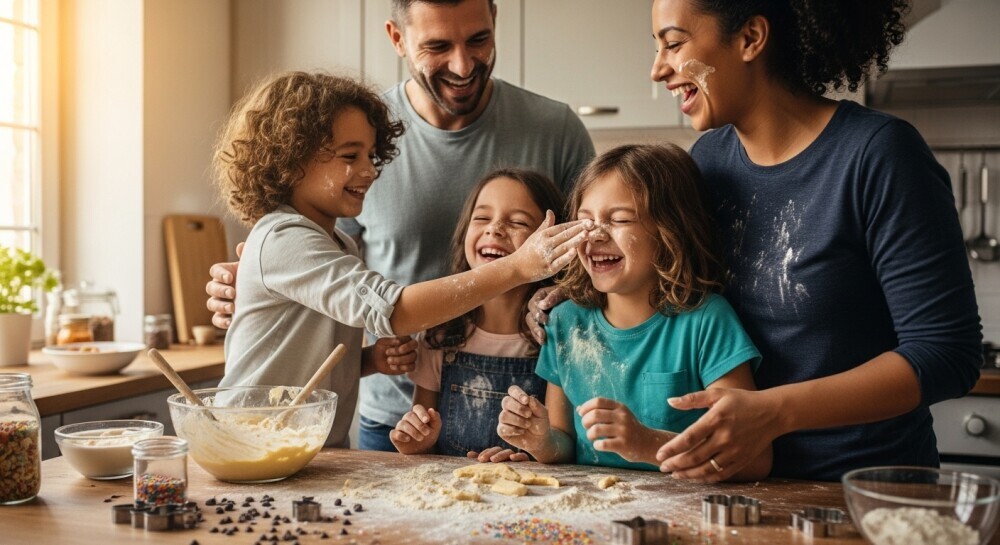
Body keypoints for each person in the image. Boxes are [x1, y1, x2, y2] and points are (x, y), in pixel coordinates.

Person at [529, 0, 982, 483]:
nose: (658, 68)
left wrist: (774, 410)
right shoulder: (708, 162)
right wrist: (579, 290)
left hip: (861, 489)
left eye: (674, 43)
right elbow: (673, 280)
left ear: (750, 39)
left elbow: (946, 353)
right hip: (741, 488)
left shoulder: (877, 156)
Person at [205, 0, 595, 453]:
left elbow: (596, 262)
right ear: (397, 38)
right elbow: (369, 301)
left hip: (522, 416)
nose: (462, 64)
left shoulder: (555, 128)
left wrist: (369, 358)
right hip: (393, 418)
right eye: (437, 45)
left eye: (478, 40)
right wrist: (517, 266)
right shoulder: (350, 134)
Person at [498, 144, 771, 482]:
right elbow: (565, 445)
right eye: (585, 221)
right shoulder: (566, 323)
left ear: (670, 232)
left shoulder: (707, 321)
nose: (595, 235)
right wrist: (540, 441)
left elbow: (754, 458)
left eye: (621, 220)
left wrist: (647, 444)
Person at [390, 168, 566, 461]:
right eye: (482, 217)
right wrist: (416, 444)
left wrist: (539, 451)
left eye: (518, 222)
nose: (494, 228)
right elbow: (425, 445)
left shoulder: (558, 332)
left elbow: (562, 447)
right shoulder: (440, 334)